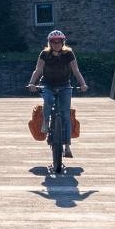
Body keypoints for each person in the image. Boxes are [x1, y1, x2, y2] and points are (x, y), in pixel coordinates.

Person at [27, 29, 88, 158]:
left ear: (63, 42)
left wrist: (82, 84)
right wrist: (32, 83)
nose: (56, 44)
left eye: (59, 41)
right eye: (53, 42)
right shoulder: (44, 54)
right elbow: (38, 70)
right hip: (47, 84)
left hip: (65, 85)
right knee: (48, 100)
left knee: (66, 115)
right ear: (50, 43)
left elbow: (76, 71)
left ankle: (67, 147)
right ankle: (45, 122)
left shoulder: (69, 54)